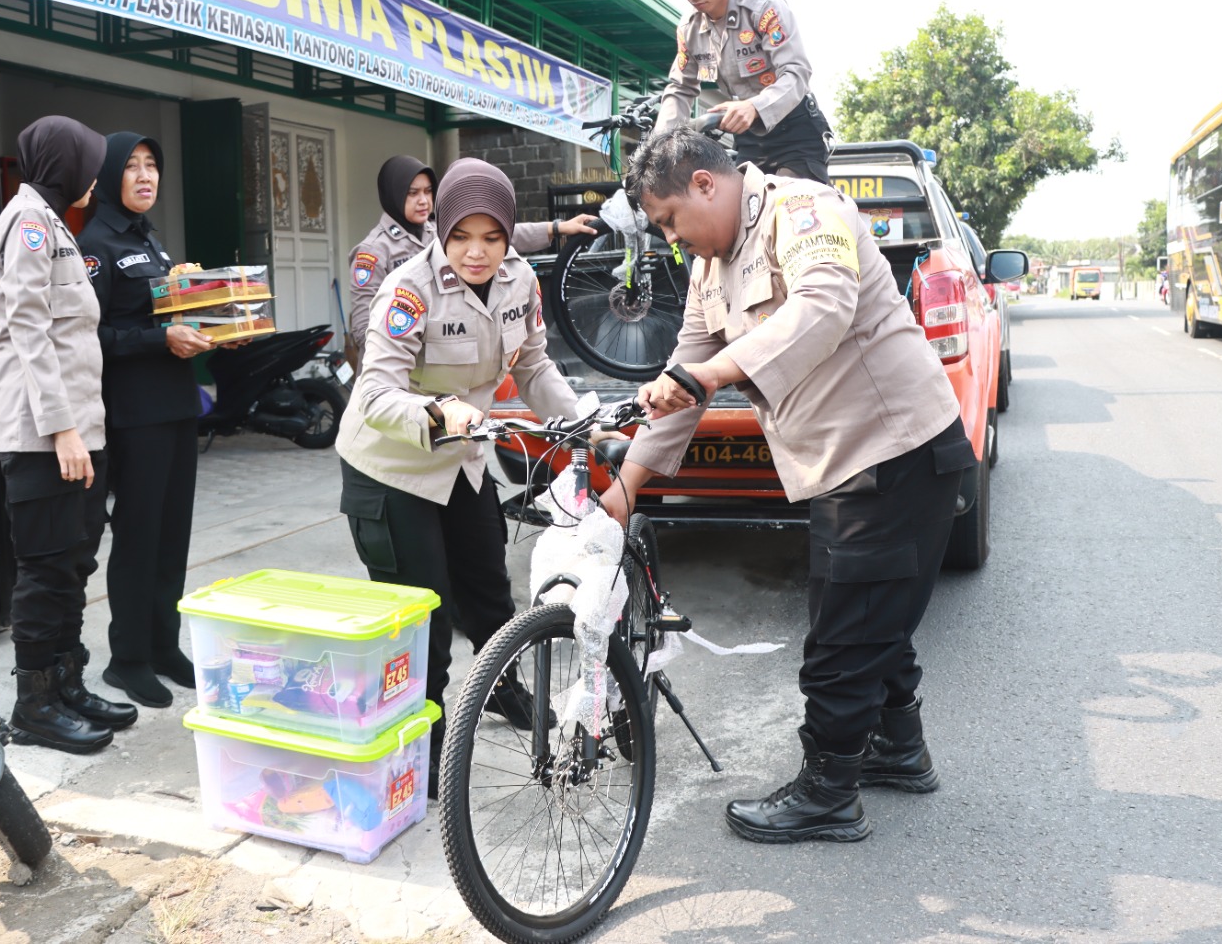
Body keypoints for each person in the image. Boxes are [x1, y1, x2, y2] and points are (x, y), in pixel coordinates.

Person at [600, 127, 976, 843]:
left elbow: (822, 308)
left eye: (672, 220)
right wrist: (628, 486)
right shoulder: (710, 270)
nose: (674, 240)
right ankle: (898, 748)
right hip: (841, 464)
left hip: (894, 452)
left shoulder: (804, 213)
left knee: (841, 639)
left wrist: (711, 374)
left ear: (706, 184)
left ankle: (830, 792)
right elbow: (684, 377)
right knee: (869, 618)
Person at [335, 158, 579, 798]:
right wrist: (438, 411)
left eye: (492, 237)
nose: (477, 252)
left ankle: (499, 689)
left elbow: (533, 366)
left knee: (492, 595)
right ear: (440, 229)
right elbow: (374, 395)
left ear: (507, 237)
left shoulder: (520, 281)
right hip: (394, 466)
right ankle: (428, 746)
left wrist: (580, 419)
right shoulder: (408, 289)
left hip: (463, 460)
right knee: (428, 620)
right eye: (462, 236)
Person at [0, 114, 133, 755]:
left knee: (74, 561)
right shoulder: (28, 226)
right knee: (46, 570)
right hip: (43, 434)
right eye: (89, 166)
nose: (96, 179)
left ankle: (67, 683)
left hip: (75, 431)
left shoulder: (52, 225)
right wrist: (64, 431)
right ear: (63, 165)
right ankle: (35, 704)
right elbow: (30, 332)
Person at [77, 133, 220, 709]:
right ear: (111, 174)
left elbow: (163, 314)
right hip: (133, 416)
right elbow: (88, 336)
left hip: (176, 407)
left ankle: (163, 645)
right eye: (132, 166)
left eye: (152, 166)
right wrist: (158, 337)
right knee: (137, 539)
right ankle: (127, 658)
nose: (144, 176)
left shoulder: (154, 244)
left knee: (171, 537)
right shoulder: (95, 245)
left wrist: (195, 300)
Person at [347, 154, 599, 364]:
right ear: (392, 194)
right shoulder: (373, 252)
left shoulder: (437, 230)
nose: (423, 200)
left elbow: (506, 234)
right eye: (412, 193)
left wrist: (557, 228)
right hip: (397, 381)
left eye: (427, 191)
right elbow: (363, 328)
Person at [653, 0, 831, 180]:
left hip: (796, 133)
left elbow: (796, 73)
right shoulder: (688, 28)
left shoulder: (764, 10)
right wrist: (658, 148)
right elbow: (680, 89)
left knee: (789, 206)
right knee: (744, 212)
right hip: (749, 139)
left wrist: (755, 107)